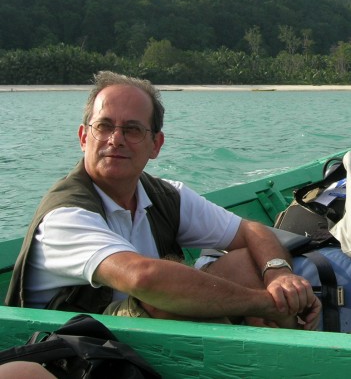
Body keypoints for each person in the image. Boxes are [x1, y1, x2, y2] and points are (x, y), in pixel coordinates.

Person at [5, 71, 321, 330]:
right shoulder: (65, 215)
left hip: (135, 338)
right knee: (163, 298)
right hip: (73, 352)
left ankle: (277, 353)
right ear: (84, 137)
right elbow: (144, 278)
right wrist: (265, 303)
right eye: (103, 126)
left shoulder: (165, 196)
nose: (115, 139)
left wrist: (279, 275)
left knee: (245, 261)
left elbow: (252, 230)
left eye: (132, 130)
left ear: (155, 144)